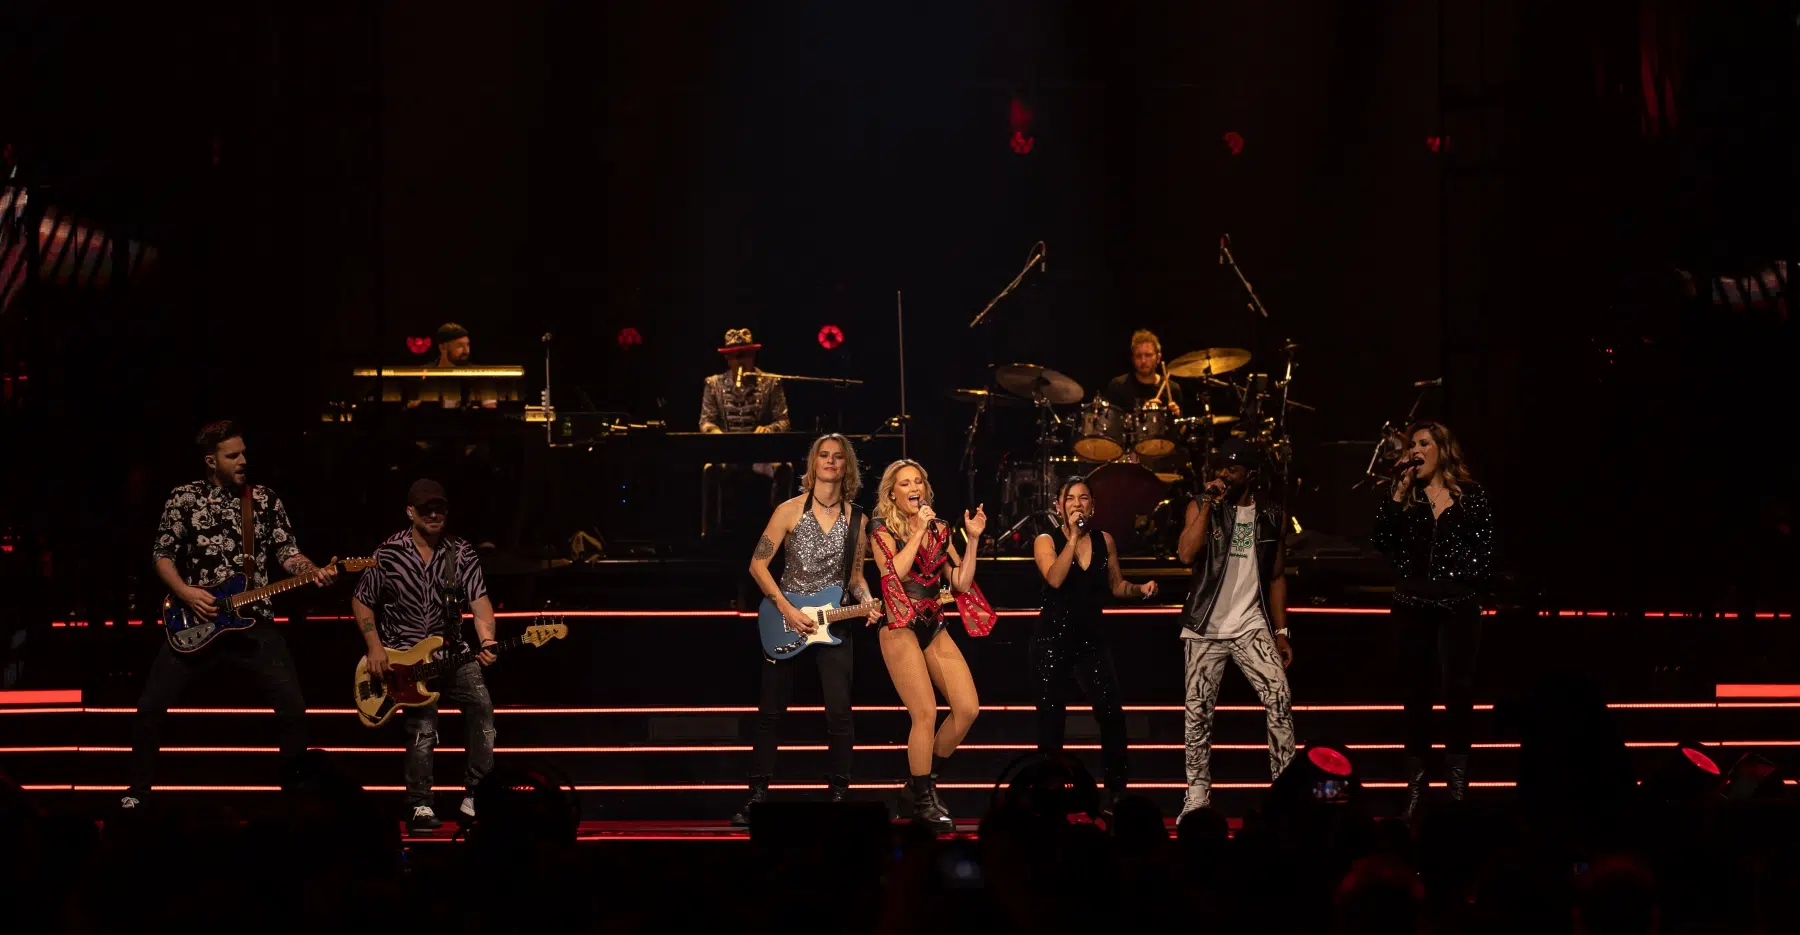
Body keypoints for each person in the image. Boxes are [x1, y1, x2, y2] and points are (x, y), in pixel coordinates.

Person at [125, 420, 340, 808]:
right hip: (197, 619)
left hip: (253, 620)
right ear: (211, 461)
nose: (243, 460)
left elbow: (287, 551)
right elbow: (162, 554)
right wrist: (185, 592)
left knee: (293, 711)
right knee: (150, 707)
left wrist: (313, 571)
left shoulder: (264, 499)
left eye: (244, 453)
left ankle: (296, 799)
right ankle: (137, 796)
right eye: (233, 455)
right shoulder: (184, 498)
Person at [732, 434, 880, 825]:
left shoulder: (858, 520)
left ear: (847, 466)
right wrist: (787, 608)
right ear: (813, 464)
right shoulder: (789, 510)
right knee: (771, 713)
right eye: (823, 456)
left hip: (833, 624)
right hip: (786, 619)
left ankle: (838, 796)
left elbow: (855, 577)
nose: (830, 461)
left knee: (840, 714)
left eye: (838, 457)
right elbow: (758, 565)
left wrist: (867, 602)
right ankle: (756, 797)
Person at [352, 478, 499, 832]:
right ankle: (419, 804)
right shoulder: (388, 553)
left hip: (452, 653)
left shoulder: (460, 552)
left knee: (481, 707)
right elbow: (361, 600)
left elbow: (479, 602)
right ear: (410, 512)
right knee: (423, 728)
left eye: (439, 508)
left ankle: (477, 795)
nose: (434, 515)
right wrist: (374, 647)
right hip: (404, 658)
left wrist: (488, 640)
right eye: (426, 509)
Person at [1371, 421, 1494, 819]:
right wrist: (1397, 494)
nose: (1415, 451)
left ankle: (1457, 791)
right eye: (1412, 445)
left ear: (1442, 449)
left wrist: (1458, 582)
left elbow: (1485, 550)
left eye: (1424, 443)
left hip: (1458, 605)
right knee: (1416, 695)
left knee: (1458, 692)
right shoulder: (1406, 497)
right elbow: (1381, 540)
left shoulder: (1470, 496)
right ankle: (1416, 791)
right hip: (1411, 604)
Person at [868, 460, 996, 831]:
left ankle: (917, 786)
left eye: (918, 482)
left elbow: (960, 583)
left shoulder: (941, 529)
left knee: (967, 709)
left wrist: (973, 539)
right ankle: (924, 801)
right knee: (925, 713)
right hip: (898, 624)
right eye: (905, 483)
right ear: (892, 493)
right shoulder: (881, 527)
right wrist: (918, 530)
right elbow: (894, 573)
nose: (914, 488)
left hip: (932, 623)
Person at [1174, 437, 1294, 818]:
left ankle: (1286, 792)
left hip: (1249, 624)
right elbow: (1185, 554)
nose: (1224, 474)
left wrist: (1281, 632)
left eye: (1233, 468)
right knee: (1198, 712)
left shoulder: (1271, 515)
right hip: (1205, 625)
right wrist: (1209, 505)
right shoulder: (1201, 504)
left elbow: (1276, 576)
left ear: (1251, 475)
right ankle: (1197, 796)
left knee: (1279, 695)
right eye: (1221, 466)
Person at [1031, 476, 1158, 809]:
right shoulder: (1046, 540)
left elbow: (1117, 585)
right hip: (1053, 638)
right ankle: (1049, 791)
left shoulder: (1105, 540)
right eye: (1070, 499)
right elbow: (1055, 578)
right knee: (1051, 718)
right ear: (1058, 506)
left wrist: (1139, 589)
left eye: (1084, 498)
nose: (1077, 504)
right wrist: (1073, 537)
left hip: (1091, 638)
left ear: (1093, 506)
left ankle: (1116, 791)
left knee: (1111, 713)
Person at [699, 327, 792, 537]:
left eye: (746, 355)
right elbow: (706, 421)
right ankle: (710, 533)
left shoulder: (771, 382)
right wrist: (717, 434)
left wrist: (768, 429)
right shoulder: (713, 384)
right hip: (727, 455)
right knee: (709, 469)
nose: (741, 360)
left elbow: (783, 420)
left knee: (784, 468)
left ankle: (781, 533)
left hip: (761, 455)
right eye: (736, 356)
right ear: (728, 359)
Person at [1100, 328, 1186, 416]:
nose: (1143, 361)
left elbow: (1181, 425)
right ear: (1133, 359)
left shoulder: (1172, 389)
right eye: (1138, 356)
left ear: (1158, 358)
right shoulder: (1118, 386)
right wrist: (1143, 413)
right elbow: (1108, 422)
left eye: (1148, 355)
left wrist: (1176, 417)